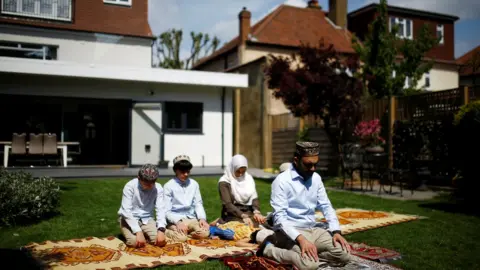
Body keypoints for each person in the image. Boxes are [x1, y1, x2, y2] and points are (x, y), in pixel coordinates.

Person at [267, 141, 353, 267]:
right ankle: (268, 250)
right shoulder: (281, 181)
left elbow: (326, 206)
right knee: (309, 265)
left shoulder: (316, 178)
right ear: (296, 160)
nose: (313, 169)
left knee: (345, 255)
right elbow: (280, 218)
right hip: (290, 233)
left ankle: (312, 255)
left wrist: (336, 231)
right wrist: (301, 239)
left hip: (313, 229)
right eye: (308, 165)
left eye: (315, 164)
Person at [117, 164, 167, 248]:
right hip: (128, 219)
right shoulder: (130, 186)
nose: (150, 186)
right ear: (138, 178)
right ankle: (130, 233)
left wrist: (161, 229)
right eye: (146, 183)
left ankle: (143, 234)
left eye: (153, 182)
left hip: (147, 219)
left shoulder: (158, 188)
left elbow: (161, 209)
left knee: (159, 240)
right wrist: (138, 231)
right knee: (134, 242)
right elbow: (126, 211)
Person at [163, 155, 211, 242]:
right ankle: (166, 231)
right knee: (181, 238)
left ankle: (186, 233)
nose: (186, 174)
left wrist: (202, 219)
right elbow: (166, 211)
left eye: (188, 171)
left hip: (191, 219)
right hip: (176, 219)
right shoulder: (168, 186)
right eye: (182, 171)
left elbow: (198, 204)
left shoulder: (194, 184)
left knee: (205, 233)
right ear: (176, 170)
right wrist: (178, 222)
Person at [218, 154, 266, 228]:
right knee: (244, 228)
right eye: (238, 171)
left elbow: (254, 197)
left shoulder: (248, 178)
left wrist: (256, 212)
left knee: (264, 224)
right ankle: (220, 222)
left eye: (243, 172)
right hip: (232, 214)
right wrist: (243, 216)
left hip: (248, 212)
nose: (240, 174)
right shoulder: (224, 182)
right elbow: (228, 205)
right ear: (232, 168)